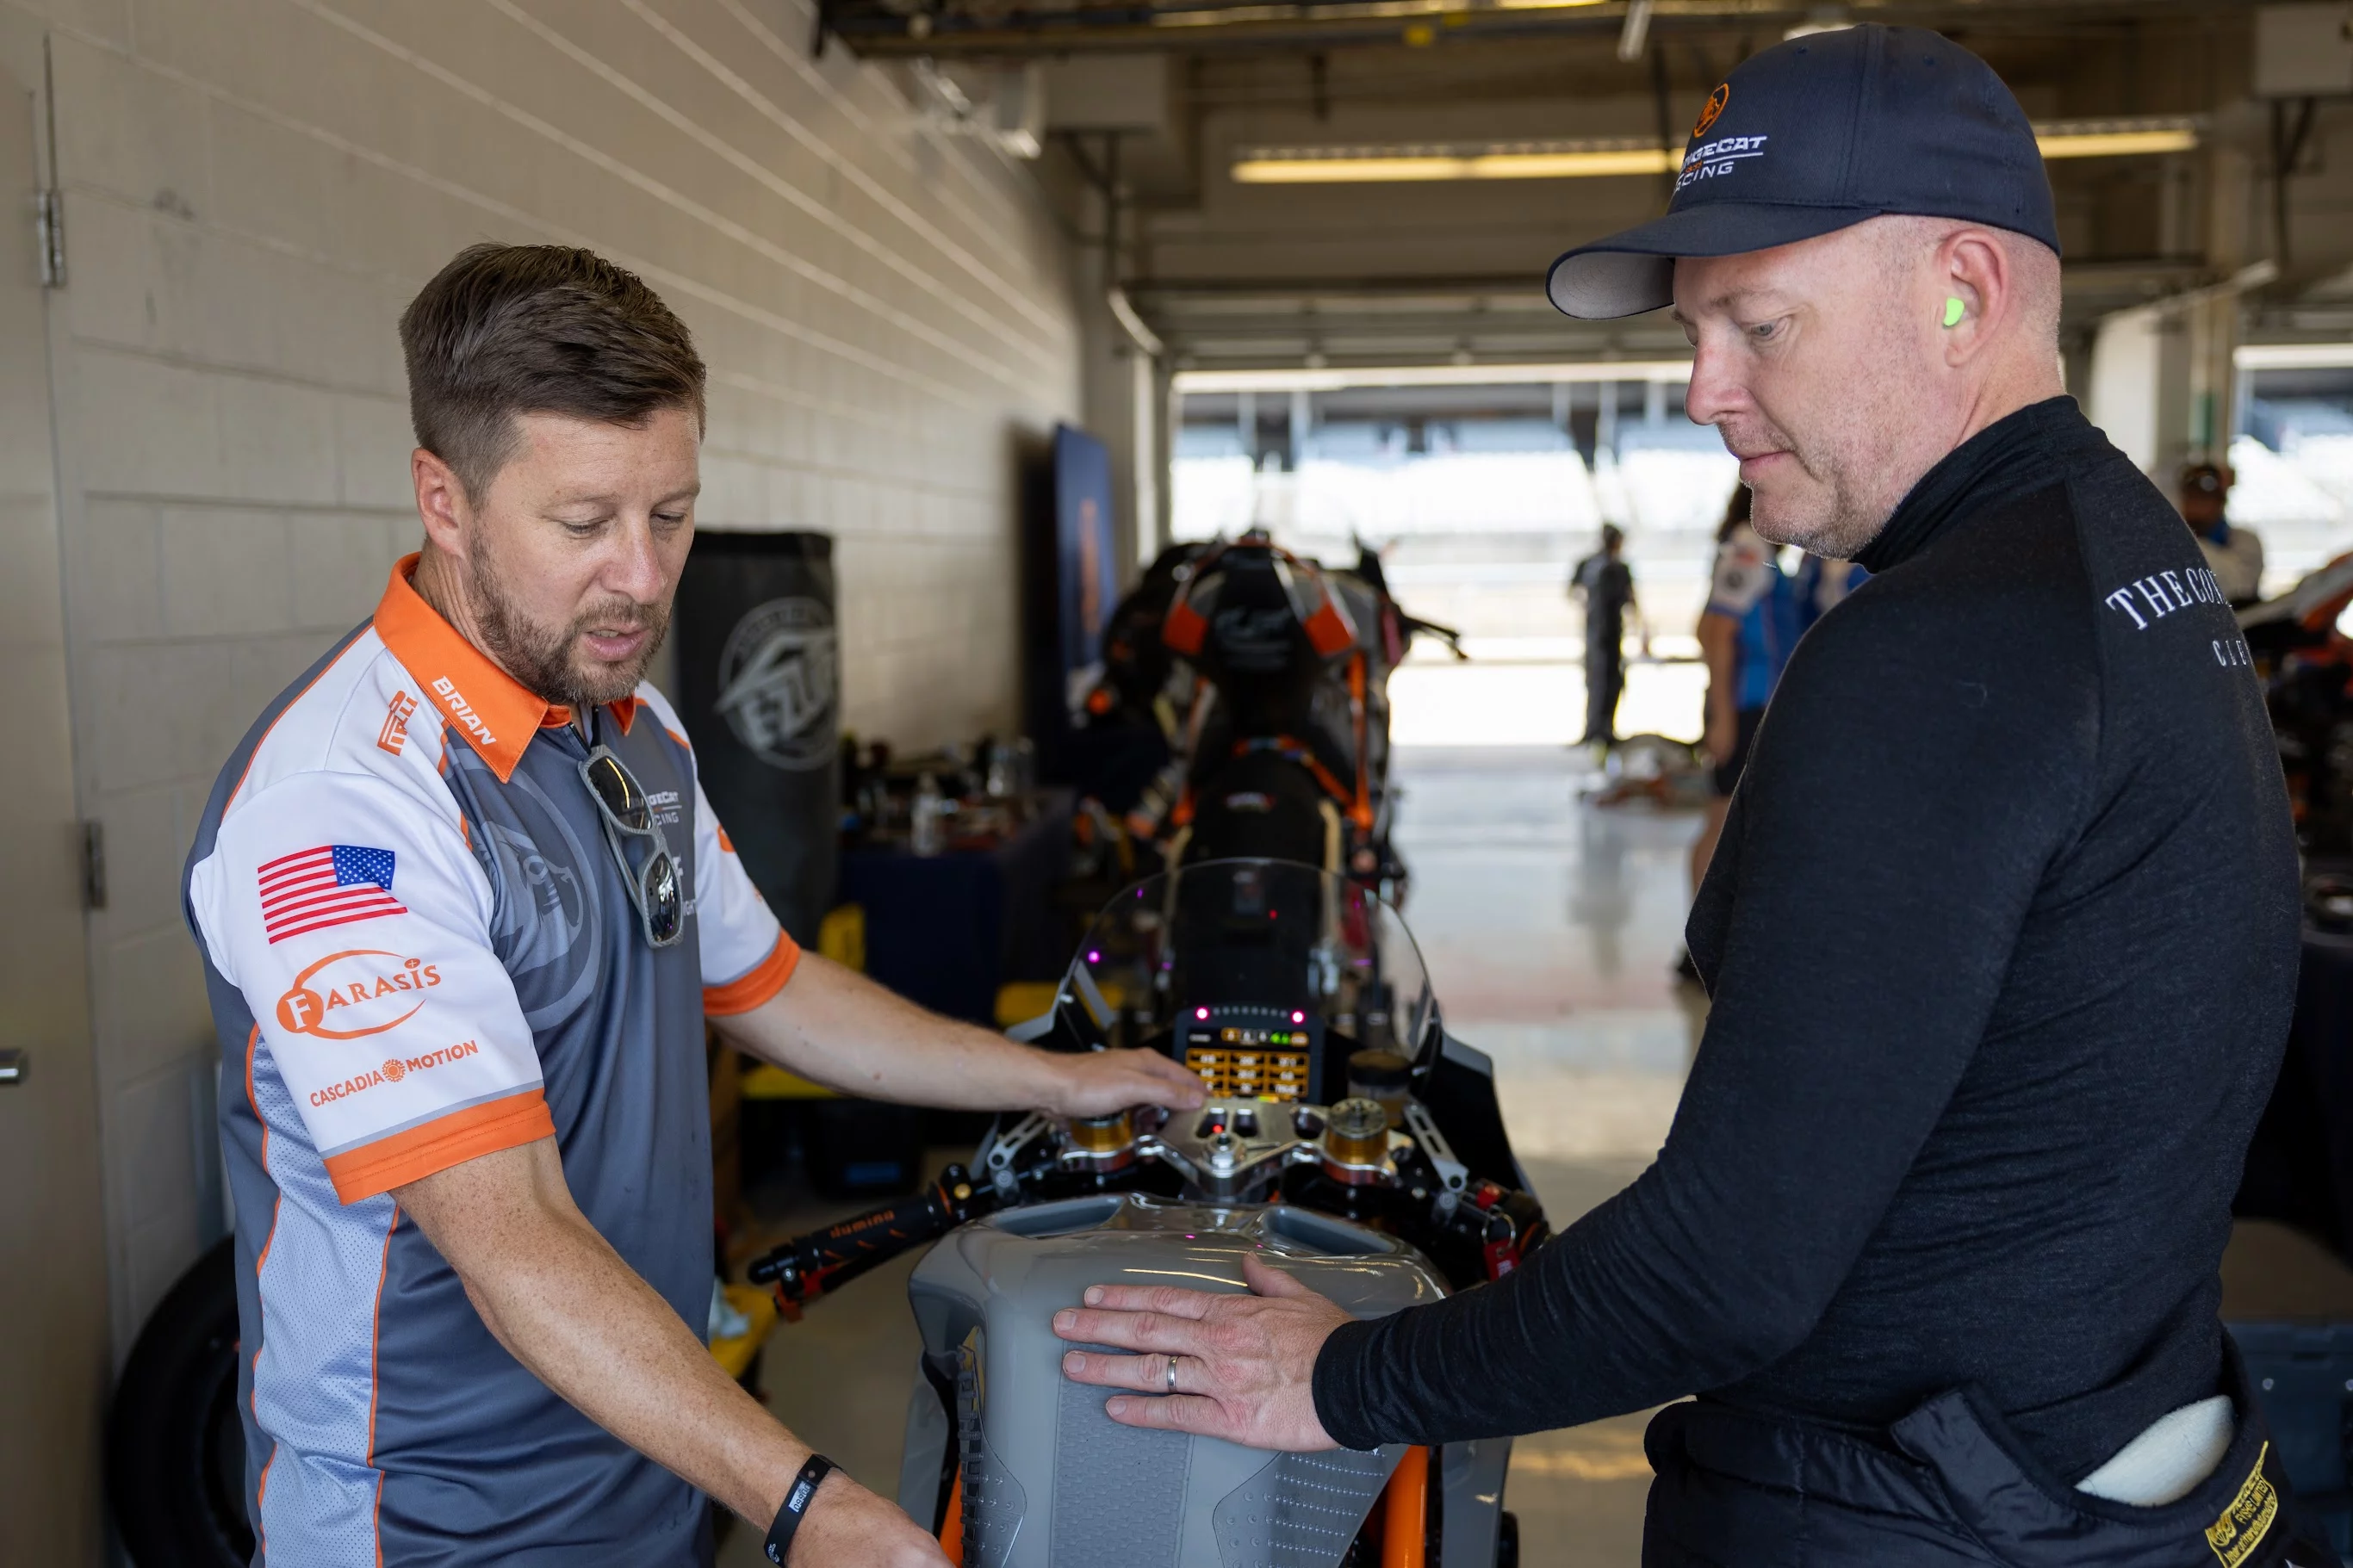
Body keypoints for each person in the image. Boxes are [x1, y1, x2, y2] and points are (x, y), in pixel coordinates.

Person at [1053, 27, 2322, 1566]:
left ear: (1961, 293)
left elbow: (1729, 1262)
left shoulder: (1933, 652)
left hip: (1908, 1517)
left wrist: (1342, 1379)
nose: (1702, 390)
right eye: (1691, 330)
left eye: (1760, 325)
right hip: (2111, 1458)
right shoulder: (2124, 562)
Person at [181, 245, 1203, 1568]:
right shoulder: (341, 811)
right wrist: (804, 1502)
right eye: (585, 522)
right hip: (432, 1527)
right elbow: (512, 1241)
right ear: (444, 499)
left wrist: (1051, 1080)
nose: (645, 577)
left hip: (652, 1454)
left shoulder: (631, 727)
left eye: (671, 515)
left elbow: (768, 984)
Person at [1571, 523, 1645, 746]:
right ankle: (1596, 728)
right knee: (1600, 680)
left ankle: (1602, 728)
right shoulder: (1596, 566)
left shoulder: (1613, 567)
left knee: (1607, 680)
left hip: (1607, 633)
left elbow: (1631, 600)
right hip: (1600, 633)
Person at [2183, 460, 2266, 606]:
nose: (2196, 506)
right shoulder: (2173, 540)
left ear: (2221, 502)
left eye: (2204, 500)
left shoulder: (2246, 541)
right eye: (2192, 498)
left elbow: (2240, 586)